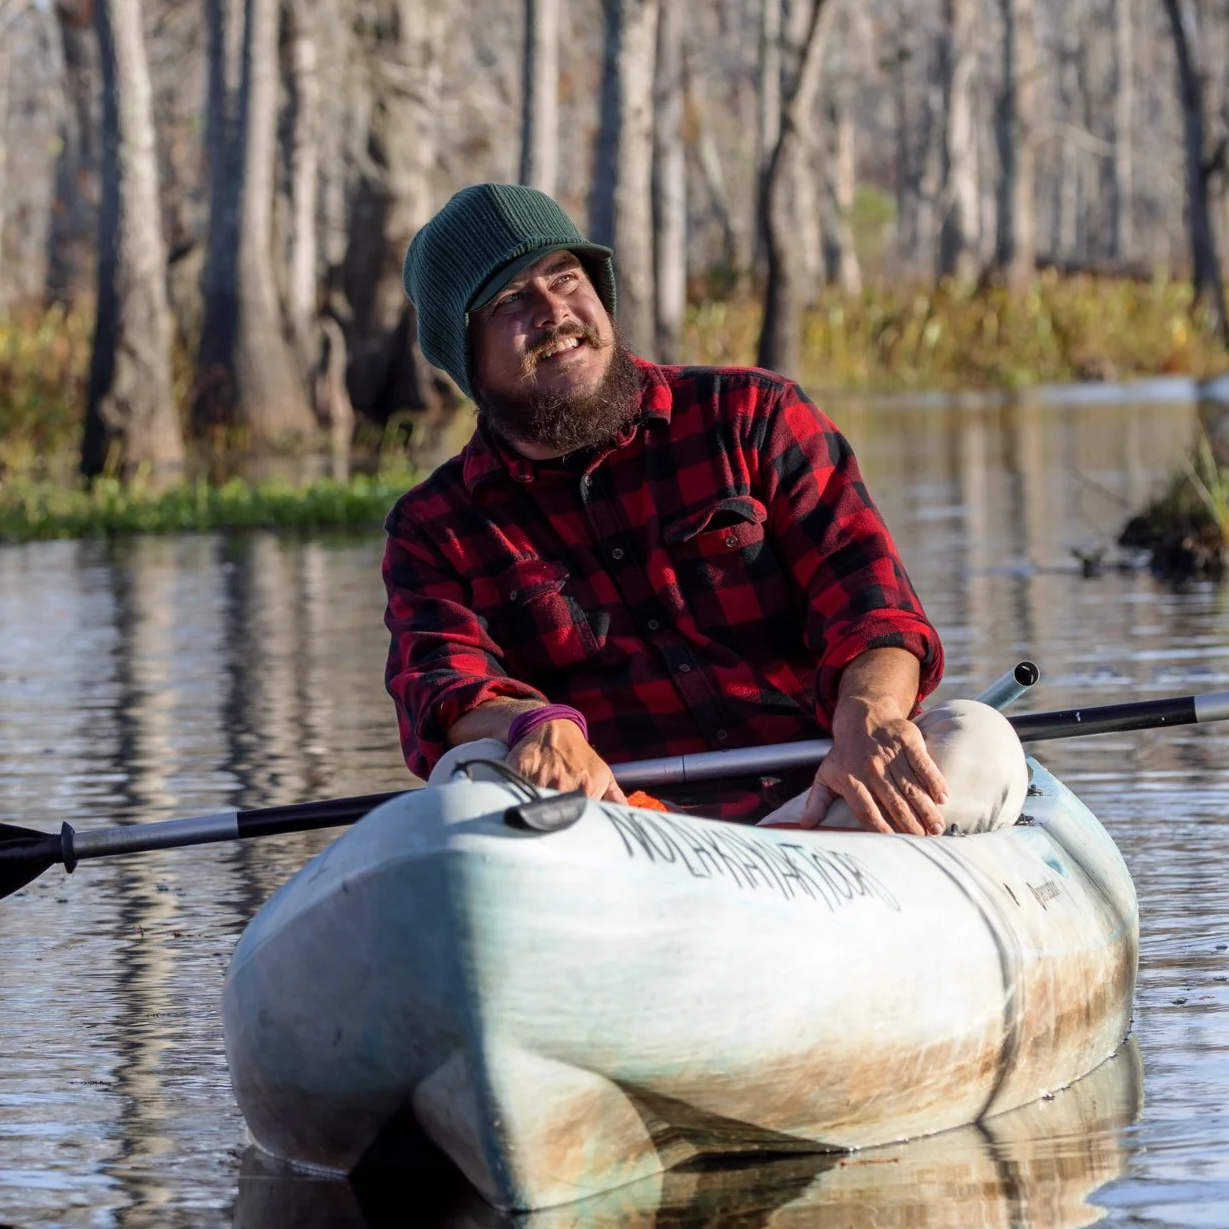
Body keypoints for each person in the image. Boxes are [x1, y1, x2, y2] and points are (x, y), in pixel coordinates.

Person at [382, 183, 1023, 834]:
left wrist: (871, 711)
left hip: (830, 803)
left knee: (981, 741)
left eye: (566, 277)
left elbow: (871, 602)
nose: (553, 311)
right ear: (466, 357)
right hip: (626, 842)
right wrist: (531, 722)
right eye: (511, 300)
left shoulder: (755, 416)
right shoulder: (432, 527)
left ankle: (821, 853)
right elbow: (443, 682)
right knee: (471, 770)